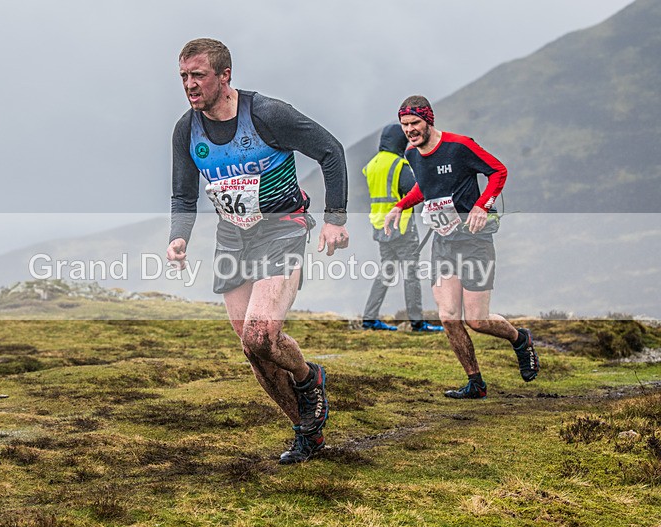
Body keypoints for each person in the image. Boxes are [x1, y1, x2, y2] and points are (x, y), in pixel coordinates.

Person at [167, 38, 349, 462]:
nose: (190, 85)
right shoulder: (186, 129)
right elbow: (182, 195)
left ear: (225, 76)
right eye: (183, 77)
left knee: (260, 333)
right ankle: (306, 431)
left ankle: (309, 377)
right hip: (233, 239)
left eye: (198, 76)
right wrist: (179, 237)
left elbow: (330, 151)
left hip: (281, 230)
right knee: (252, 347)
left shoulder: (266, 114)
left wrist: (334, 218)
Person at [384, 95, 539, 399]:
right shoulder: (411, 153)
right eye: (405, 125)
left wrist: (483, 205)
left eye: (415, 123)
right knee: (448, 316)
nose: (410, 130)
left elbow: (498, 171)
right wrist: (400, 206)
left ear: (429, 120)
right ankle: (476, 383)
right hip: (444, 242)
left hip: (474, 242)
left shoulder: (460, 146)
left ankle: (520, 339)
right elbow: (426, 188)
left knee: (477, 320)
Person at [361, 124, 444, 333]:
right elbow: (415, 190)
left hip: (380, 226)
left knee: (386, 272)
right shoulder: (398, 164)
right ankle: (417, 323)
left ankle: (369, 319)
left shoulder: (372, 165)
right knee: (411, 273)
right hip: (402, 227)